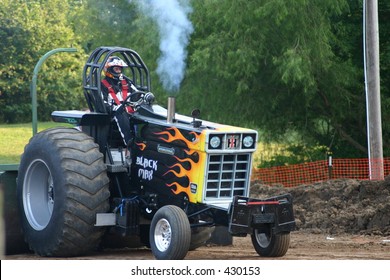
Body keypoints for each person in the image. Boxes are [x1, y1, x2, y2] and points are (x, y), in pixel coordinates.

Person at [101, 56, 140, 148]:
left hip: (130, 111)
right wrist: (115, 108)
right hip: (113, 114)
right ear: (109, 69)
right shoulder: (103, 85)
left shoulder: (126, 82)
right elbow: (102, 103)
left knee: (145, 110)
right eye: (116, 69)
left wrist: (144, 98)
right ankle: (130, 143)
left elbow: (137, 94)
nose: (119, 71)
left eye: (120, 69)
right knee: (121, 113)